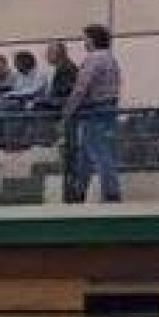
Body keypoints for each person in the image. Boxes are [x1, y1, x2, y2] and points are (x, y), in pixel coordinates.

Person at [62, 25, 121, 204]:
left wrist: (68, 111)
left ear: (93, 39)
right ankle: (79, 192)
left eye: (86, 38)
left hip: (95, 111)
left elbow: (81, 88)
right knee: (87, 156)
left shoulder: (93, 59)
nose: (84, 42)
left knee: (100, 153)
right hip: (109, 108)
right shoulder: (112, 59)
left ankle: (111, 194)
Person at [43, 41, 79, 110]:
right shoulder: (61, 68)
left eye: (49, 52)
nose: (46, 56)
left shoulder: (67, 69)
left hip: (63, 107)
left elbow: (64, 92)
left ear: (59, 54)